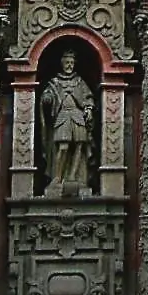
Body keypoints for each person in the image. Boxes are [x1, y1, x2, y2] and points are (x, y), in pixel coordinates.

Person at [42, 50, 96, 196]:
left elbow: (88, 97)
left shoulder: (79, 81)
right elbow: (47, 96)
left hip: (78, 116)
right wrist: (47, 99)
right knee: (63, 146)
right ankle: (57, 177)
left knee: (79, 145)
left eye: (72, 63)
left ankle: (73, 176)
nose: (69, 65)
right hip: (63, 115)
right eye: (67, 63)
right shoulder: (55, 82)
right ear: (62, 64)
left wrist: (89, 109)